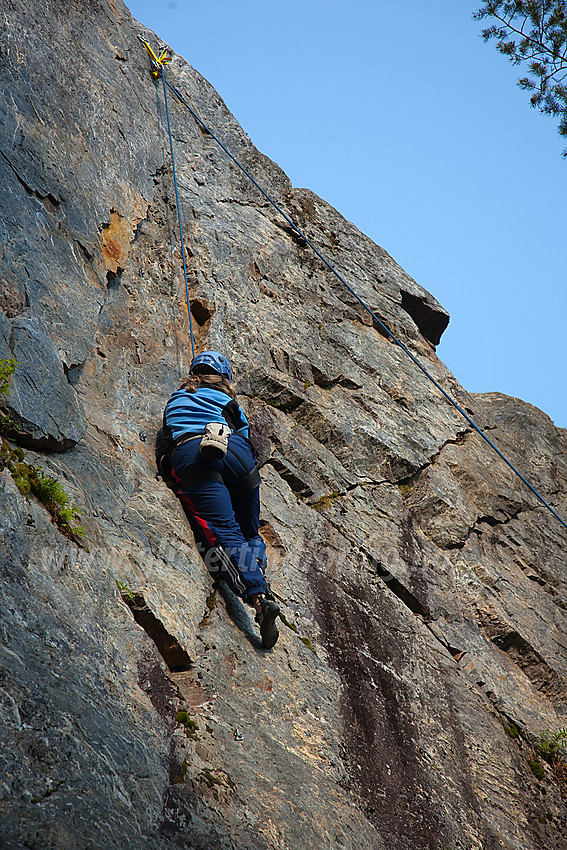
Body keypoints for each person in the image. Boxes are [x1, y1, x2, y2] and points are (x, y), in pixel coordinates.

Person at [159, 351, 279, 649]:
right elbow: (247, 436)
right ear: (224, 378)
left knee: (224, 530)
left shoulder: (176, 399)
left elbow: (165, 443)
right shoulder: (227, 401)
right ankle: (258, 575)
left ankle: (258, 598)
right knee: (249, 531)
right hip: (239, 454)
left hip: (195, 452)